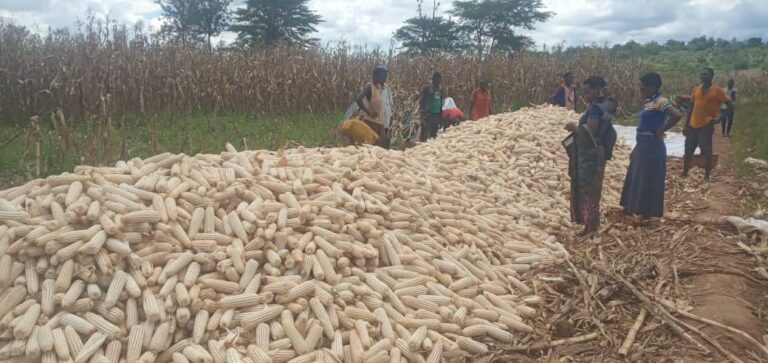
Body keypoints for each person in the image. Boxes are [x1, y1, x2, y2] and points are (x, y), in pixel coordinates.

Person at [620, 72, 683, 219]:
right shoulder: (649, 102)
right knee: (636, 176)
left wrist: (661, 130)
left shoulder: (661, 101)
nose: (641, 91)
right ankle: (632, 207)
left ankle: (646, 212)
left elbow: (676, 115)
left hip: (652, 146)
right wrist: (636, 147)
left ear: (652, 87)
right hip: (643, 144)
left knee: (648, 177)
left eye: (643, 88)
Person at [563, 76, 611, 236]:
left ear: (597, 90)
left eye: (588, 91)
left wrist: (574, 127)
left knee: (588, 189)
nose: (585, 95)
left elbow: (590, 132)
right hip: (594, 153)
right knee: (590, 188)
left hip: (590, 155)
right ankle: (591, 224)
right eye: (583, 92)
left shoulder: (595, 110)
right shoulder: (601, 106)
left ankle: (590, 227)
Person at [682, 67, 732, 181]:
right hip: (692, 125)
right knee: (688, 149)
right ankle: (684, 172)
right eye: (702, 74)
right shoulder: (696, 90)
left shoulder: (717, 91)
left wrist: (721, 118)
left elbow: (729, 104)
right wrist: (686, 125)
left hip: (706, 124)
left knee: (706, 149)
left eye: (706, 74)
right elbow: (691, 108)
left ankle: (707, 176)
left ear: (712, 76)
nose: (703, 76)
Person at [355, 65, 394, 140]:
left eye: (386, 76)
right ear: (376, 76)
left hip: (382, 122)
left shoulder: (386, 88)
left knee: (382, 143)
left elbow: (390, 106)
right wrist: (370, 113)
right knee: (373, 143)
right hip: (372, 122)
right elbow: (358, 99)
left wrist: (391, 119)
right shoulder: (370, 87)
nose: (385, 78)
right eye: (383, 76)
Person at [419, 72, 444, 141]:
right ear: (433, 79)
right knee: (425, 135)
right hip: (428, 115)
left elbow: (440, 103)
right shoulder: (427, 88)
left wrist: (440, 117)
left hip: (436, 115)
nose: (439, 80)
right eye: (437, 78)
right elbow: (422, 101)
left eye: (440, 78)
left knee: (433, 135)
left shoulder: (440, 90)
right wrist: (422, 115)